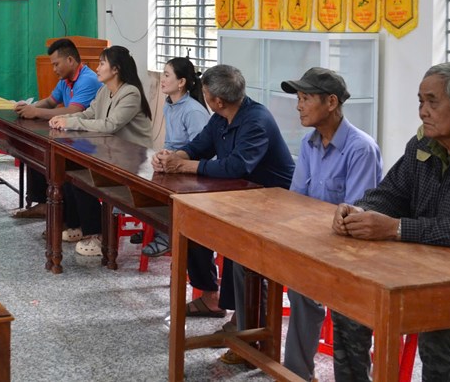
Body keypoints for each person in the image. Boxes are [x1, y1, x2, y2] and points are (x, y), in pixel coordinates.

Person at [331, 62, 450, 382]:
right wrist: (361, 211)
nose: (423, 111)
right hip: (427, 269)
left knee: (440, 328)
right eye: (420, 101)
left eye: (432, 102)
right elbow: (391, 193)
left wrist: (398, 228)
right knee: (350, 300)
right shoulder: (422, 144)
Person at [153, 64, 294, 357]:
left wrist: (186, 166)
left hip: (274, 201)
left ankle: (250, 328)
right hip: (239, 197)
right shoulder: (220, 117)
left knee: (244, 254)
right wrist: (174, 157)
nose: (203, 97)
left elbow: (237, 166)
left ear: (217, 100)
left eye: (205, 93)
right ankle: (224, 306)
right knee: (191, 224)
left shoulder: (256, 120)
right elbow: (200, 145)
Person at [279, 68, 382, 382]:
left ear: (332, 102)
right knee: (263, 269)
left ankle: (298, 371)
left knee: (304, 289)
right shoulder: (310, 144)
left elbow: (354, 216)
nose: (299, 106)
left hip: (349, 252)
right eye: (298, 98)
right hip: (315, 241)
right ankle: (293, 370)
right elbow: (297, 199)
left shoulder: (360, 148)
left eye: (306, 98)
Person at [49, 45, 152, 257]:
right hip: (109, 154)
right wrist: (65, 120)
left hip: (132, 159)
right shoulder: (105, 90)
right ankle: (77, 227)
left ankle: (96, 234)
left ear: (115, 69)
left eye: (102, 63)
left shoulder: (130, 93)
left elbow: (110, 125)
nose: (97, 68)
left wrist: (72, 123)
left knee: (84, 179)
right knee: (67, 172)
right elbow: (89, 114)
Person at [12, 38, 101, 218]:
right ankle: (44, 204)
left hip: (89, 139)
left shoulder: (88, 79)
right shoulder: (65, 79)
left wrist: (35, 111)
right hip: (69, 133)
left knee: (54, 159)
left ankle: (65, 214)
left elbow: (73, 111)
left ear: (70, 60)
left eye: (56, 64)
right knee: (35, 149)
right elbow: (51, 102)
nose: (54, 69)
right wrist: (29, 107)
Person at [140, 56, 210, 259]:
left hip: (191, 168)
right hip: (174, 163)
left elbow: (201, 149)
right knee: (144, 176)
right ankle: (154, 224)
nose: (162, 79)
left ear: (181, 82)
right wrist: (162, 155)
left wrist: (172, 158)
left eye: (167, 75)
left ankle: (166, 234)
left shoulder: (193, 111)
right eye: (162, 74)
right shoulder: (169, 104)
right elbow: (171, 143)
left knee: (163, 188)